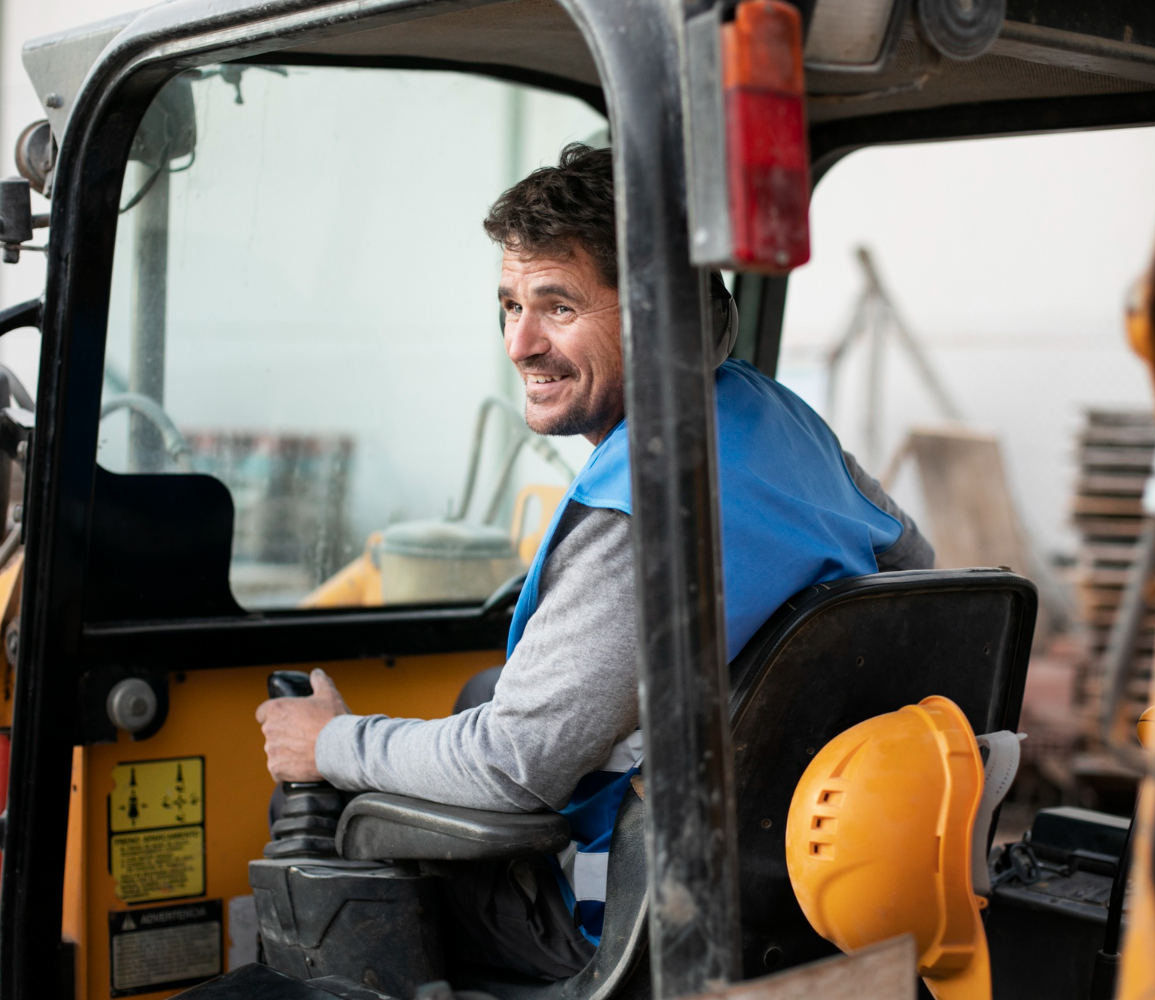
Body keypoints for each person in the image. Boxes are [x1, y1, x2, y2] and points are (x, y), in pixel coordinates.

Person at [255, 143, 932, 980]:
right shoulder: (780, 418)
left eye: (558, 307)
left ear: (660, 315)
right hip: (801, 893)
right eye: (508, 306)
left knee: (341, 842)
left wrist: (332, 746)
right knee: (480, 695)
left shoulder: (639, 510)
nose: (520, 344)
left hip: (633, 930)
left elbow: (511, 768)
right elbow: (913, 571)